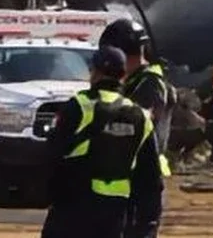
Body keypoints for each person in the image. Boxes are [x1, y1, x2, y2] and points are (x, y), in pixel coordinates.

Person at [41, 45, 163, 238]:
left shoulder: (79, 106)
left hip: (72, 213)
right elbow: (151, 179)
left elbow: (51, 155)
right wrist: (148, 225)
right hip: (117, 216)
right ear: (123, 75)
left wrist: (51, 196)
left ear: (94, 72)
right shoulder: (140, 117)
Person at [100, 18, 177, 180]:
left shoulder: (150, 84)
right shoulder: (135, 81)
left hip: (144, 173)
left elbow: (136, 124)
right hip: (132, 170)